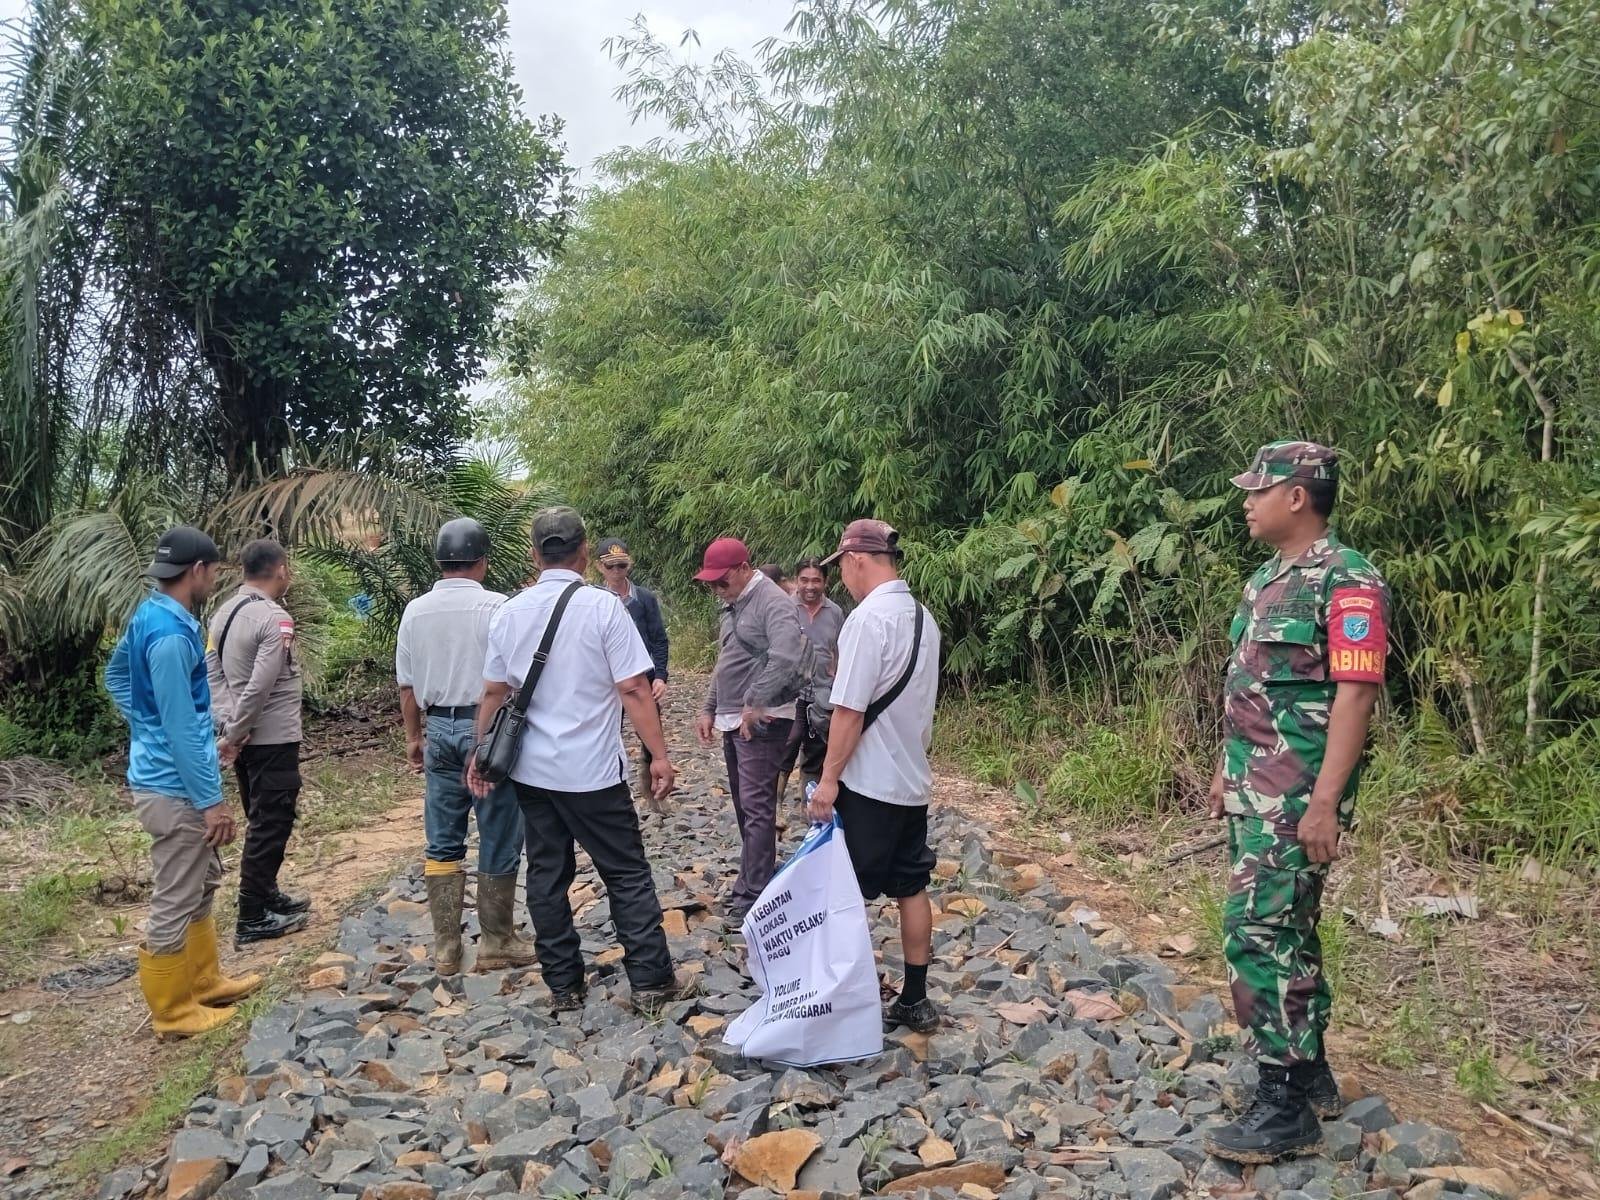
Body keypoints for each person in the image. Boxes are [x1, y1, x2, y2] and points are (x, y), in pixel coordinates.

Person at [1202, 441, 1390, 1165]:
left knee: (1256, 930)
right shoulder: (1266, 581)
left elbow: (1356, 693)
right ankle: (1309, 1075)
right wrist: (1226, 771)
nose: (1247, 501)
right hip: (1255, 791)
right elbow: (1248, 686)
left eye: (1259, 489)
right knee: (1288, 928)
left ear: (1298, 496)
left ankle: (1282, 1106)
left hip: (1296, 798)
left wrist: (1324, 804)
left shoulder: (1348, 581)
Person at [469, 507, 687, 1013]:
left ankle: (564, 984)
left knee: (547, 875)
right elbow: (633, 686)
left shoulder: (510, 612)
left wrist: (481, 751)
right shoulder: (604, 607)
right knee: (625, 872)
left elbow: (493, 692)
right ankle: (652, 982)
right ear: (586, 553)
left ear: (533, 553)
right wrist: (659, 755)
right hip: (591, 771)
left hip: (532, 773)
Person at [105, 526, 260, 1038]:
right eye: (214, 571)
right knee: (176, 893)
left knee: (203, 878)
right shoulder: (172, 635)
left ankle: (204, 980)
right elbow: (179, 726)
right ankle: (172, 1011)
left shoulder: (150, 614)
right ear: (197, 571)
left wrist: (144, 722)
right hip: (175, 788)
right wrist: (212, 802)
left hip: (170, 776)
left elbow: (117, 678)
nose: (214, 579)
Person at [806, 520, 942, 1034]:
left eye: (840, 566)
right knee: (911, 886)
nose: (841, 577)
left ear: (857, 559)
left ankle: (841, 1002)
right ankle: (915, 998)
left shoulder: (866, 621)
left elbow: (848, 712)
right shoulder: (924, 619)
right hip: (912, 782)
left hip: (867, 784)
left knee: (844, 891)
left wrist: (828, 780)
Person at [396, 518, 535, 976]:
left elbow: (408, 686)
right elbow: (513, 678)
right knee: (497, 830)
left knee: (442, 839)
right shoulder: (499, 606)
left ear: (440, 561)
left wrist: (414, 736)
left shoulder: (415, 611)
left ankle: (446, 949)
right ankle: (496, 940)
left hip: (437, 727)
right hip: (487, 730)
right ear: (482, 561)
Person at [694, 538, 806, 924]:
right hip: (733, 716)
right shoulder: (733, 604)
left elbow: (786, 657)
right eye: (711, 584)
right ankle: (751, 882)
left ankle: (756, 892)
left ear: (744, 568)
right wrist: (710, 706)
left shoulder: (773, 602)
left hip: (765, 717)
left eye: (721, 581)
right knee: (746, 806)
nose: (716, 590)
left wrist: (753, 702)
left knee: (758, 808)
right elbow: (727, 658)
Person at [206, 538, 311, 947]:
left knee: (261, 816)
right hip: (271, 737)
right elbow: (262, 684)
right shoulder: (273, 618)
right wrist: (237, 729)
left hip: (245, 735)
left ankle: (267, 894)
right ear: (281, 569)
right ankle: (251, 914)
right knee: (272, 821)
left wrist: (229, 722)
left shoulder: (223, 613)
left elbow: (212, 672)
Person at [595, 536, 671, 811]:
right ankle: (606, 791)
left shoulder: (644, 598)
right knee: (606, 734)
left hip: (642, 677)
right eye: (611, 566)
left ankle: (654, 794)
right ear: (600, 568)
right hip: (607, 681)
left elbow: (659, 639)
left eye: (622, 566)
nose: (617, 572)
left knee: (651, 736)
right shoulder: (596, 600)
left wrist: (661, 675)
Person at [777, 557, 845, 803]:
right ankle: (774, 804)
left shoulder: (835, 612)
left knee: (817, 749)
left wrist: (837, 673)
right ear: (796, 580)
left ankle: (810, 806)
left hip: (822, 692)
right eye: (804, 580)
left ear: (825, 582)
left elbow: (840, 649)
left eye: (816, 580)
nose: (810, 586)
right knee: (788, 741)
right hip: (790, 690)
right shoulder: (783, 607)